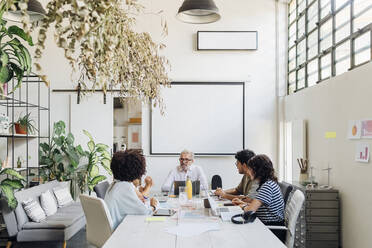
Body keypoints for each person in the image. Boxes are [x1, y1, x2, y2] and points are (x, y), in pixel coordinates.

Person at [105, 150, 158, 230]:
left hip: (112, 228)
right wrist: (153, 206)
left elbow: (139, 199)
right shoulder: (125, 187)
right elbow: (144, 212)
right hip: (119, 231)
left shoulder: (115, 184)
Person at [238, 154, 284, 225]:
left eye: (250, 169)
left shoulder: (267, 186)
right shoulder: (267, 183)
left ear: (257, 170)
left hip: (271, 228)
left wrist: (243, 206)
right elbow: (258, 206)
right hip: (266, 224)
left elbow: (250, 210)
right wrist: (243, 203)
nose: (248, 171)